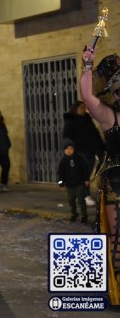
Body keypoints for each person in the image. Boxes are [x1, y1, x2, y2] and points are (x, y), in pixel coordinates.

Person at [80, 45, 120, 305]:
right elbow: (87, 97)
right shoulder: (109, 117)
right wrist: (87, 66)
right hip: (117, 182)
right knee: (118, 238)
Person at [63, 100, 105, 206]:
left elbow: (95, 133)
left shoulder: (87, 119)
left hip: (90, 150)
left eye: (84, 108)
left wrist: (100, 146)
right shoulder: (70, 122)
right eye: (81, 108)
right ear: (75, 109)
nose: (83, 110)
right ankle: (85, 196)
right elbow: (67, 137)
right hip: (79, 151)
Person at [57, 138, 89, 223]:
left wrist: (86, 179)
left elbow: (85, 169)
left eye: (71, 148)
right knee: (71, 200)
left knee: (81, 200)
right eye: (67, 149)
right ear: (64, 150)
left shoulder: (79, 158)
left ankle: (84, 215)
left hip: (79, 184)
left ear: (74, 149)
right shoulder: (63, 161)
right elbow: (60, 174)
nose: (69, 151)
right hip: (69, 185)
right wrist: (61, 184)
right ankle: (74, 214)